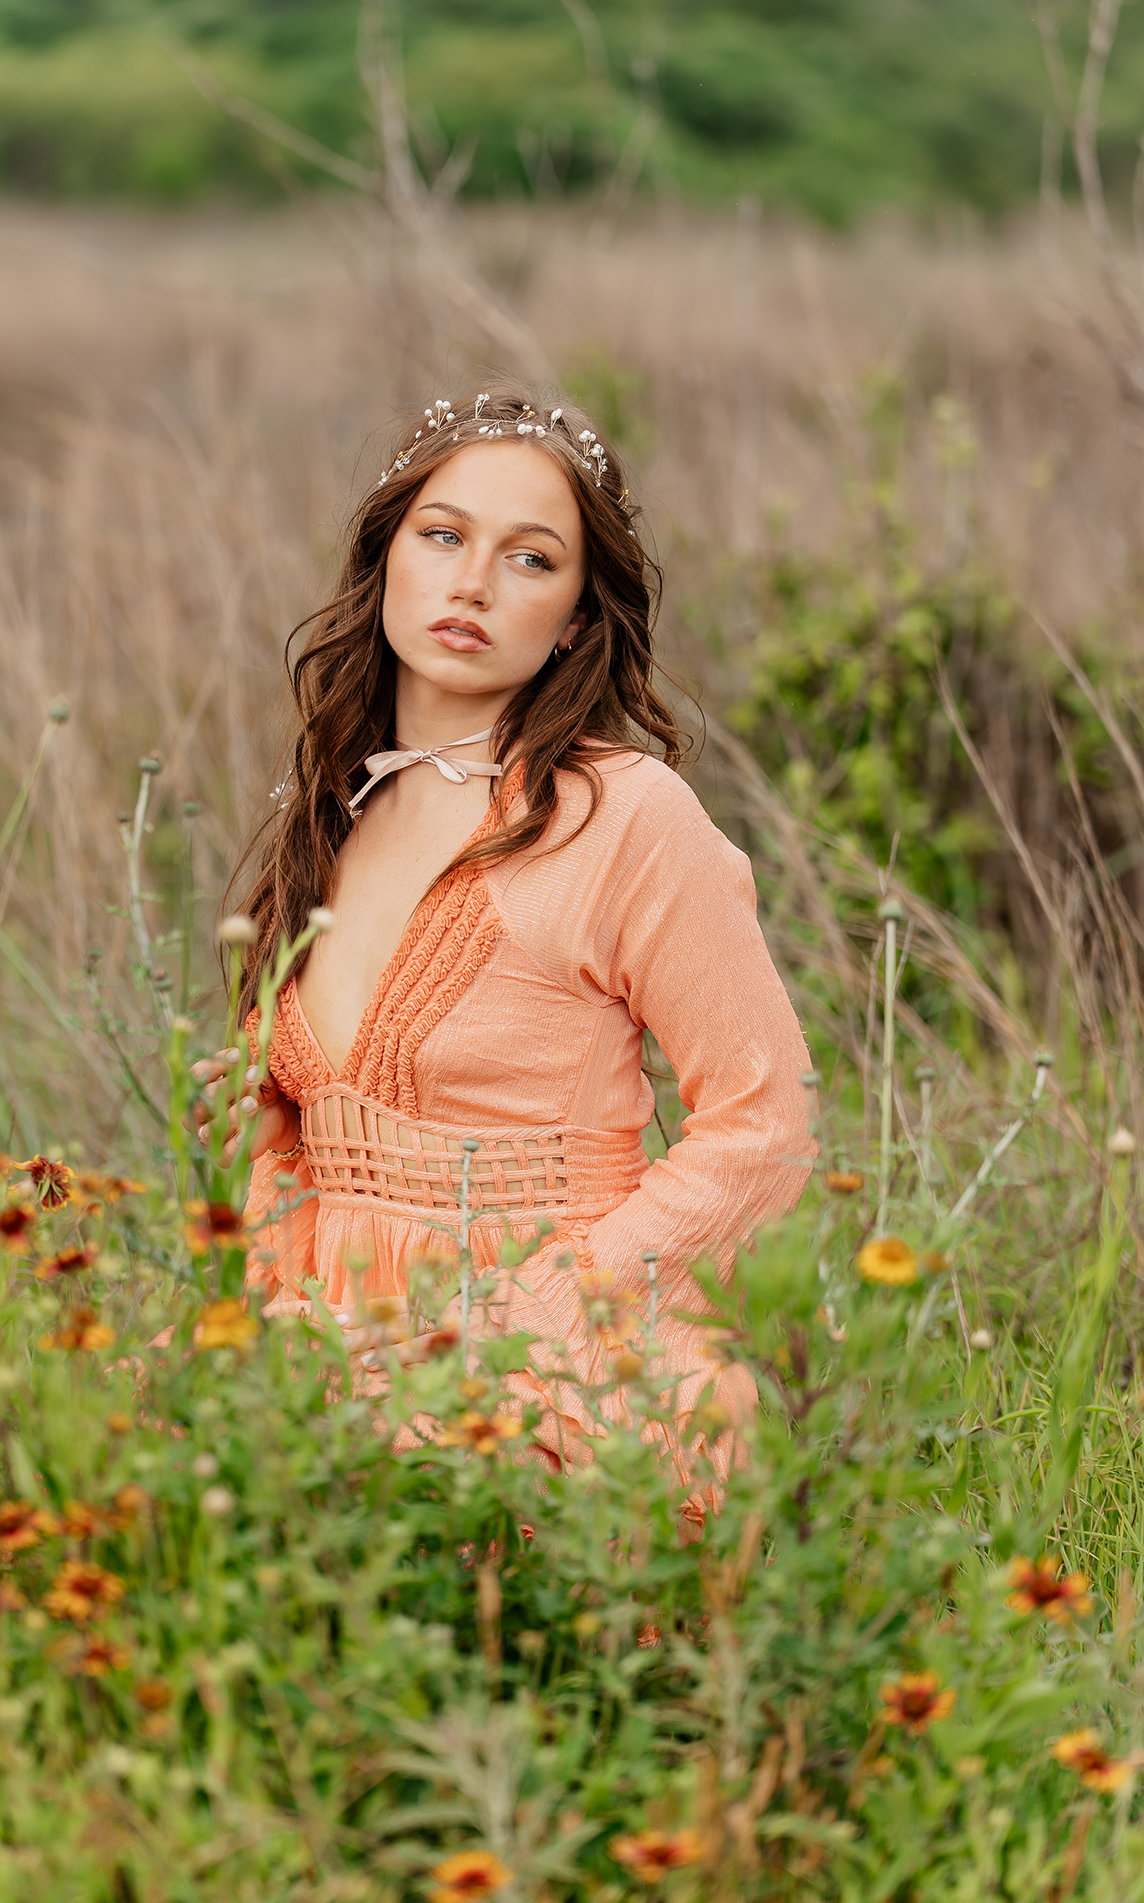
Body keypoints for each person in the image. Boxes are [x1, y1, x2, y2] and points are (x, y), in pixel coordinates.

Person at [193, 382, 814, 1497]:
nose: (471, 581)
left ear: (577, 614)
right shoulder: (329, 807)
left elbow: (763, 1120)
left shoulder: (626, 816)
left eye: (530, 559)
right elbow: (292, 1152)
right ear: (386, 558)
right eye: (441, 536)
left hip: (555, 1362)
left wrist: (522, 1319)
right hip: (335, 1340)